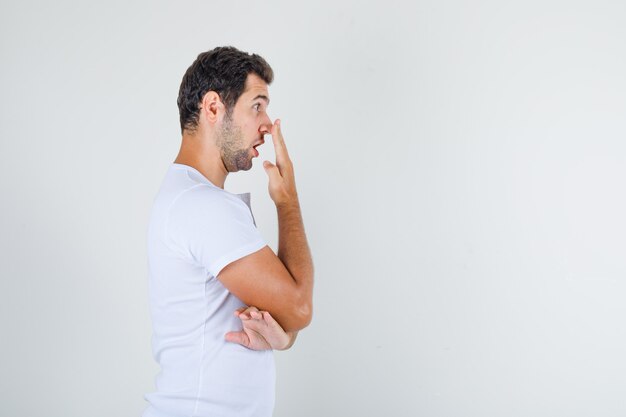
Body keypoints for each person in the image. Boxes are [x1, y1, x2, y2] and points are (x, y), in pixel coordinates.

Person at [142, 46, 314, 417]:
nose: (267, 124)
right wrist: (288, 201)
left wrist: (283, 336)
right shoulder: (203, 207)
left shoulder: (191, 199)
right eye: (257, 105)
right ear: (214, 108)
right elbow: (299, 307)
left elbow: (286, 314)